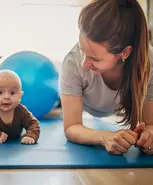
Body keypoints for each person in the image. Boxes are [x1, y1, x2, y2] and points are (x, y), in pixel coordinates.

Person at [60, 0, 153, 155]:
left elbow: (150, 124)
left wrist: (148, 136)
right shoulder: (72, 62)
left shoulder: (149, 63)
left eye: (95, 59)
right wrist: (105, 137)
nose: (84, 64)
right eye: (83, 52)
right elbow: (71, 127)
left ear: (124, 53)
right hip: (83, 100)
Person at [0, 70, 40, 144]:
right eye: (0, 92)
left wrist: (31, 135)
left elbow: (33, 124)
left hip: (17, 149)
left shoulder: (22, 111)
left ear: (20, 96)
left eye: (12, 93)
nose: (6, 97)